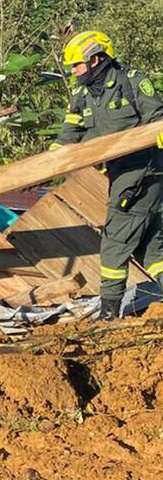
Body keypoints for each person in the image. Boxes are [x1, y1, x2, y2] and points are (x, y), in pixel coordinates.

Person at [52, 30, 163, 320]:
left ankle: (109, 314)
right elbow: (70, 132)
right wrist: (50, 162)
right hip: (117, 174)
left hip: (144, 172)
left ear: (95, 59)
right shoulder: (81, 95)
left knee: (114, 240)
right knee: (149, 248)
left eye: (77, 65)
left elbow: (157, 119)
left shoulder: (132, 81)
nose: (74, 72)